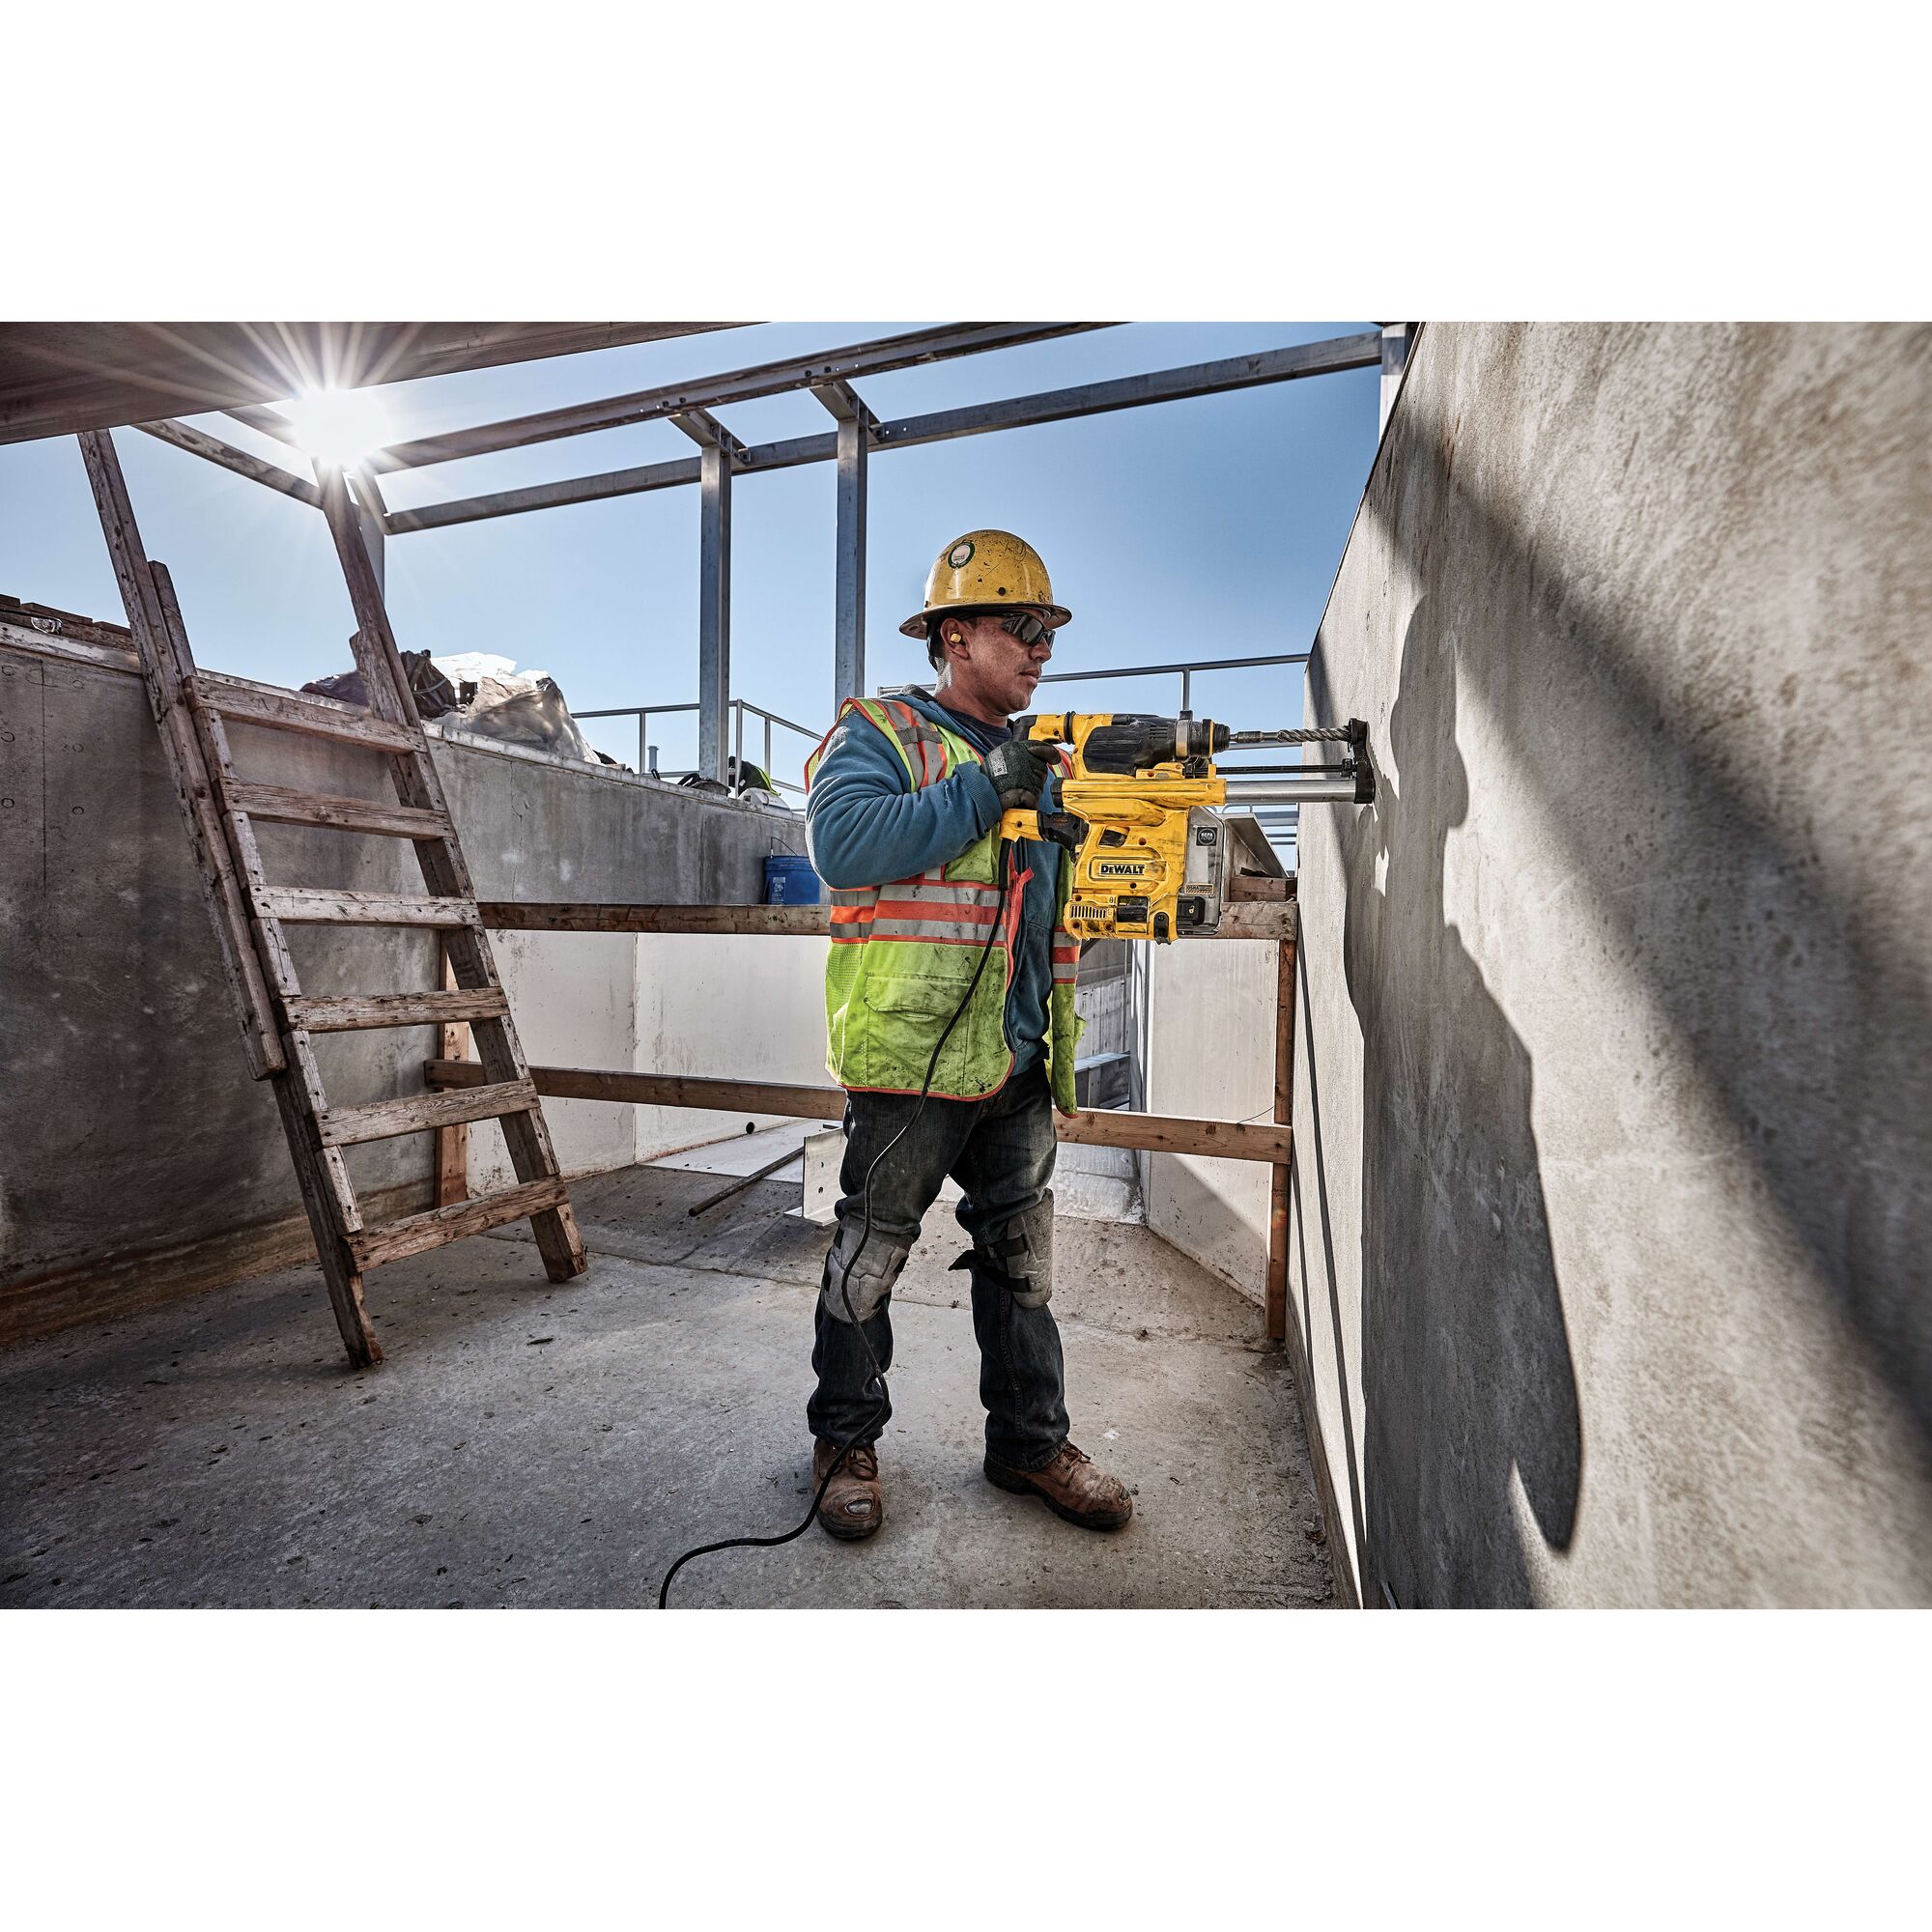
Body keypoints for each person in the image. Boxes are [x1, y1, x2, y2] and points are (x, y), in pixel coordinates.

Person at [801, 529, 1135, 1542]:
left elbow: (1037, 912)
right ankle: (842, 1440)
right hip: (911, 1060)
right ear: (954, 634)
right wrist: (990, 786)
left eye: (1046, 631)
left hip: (1017, 1058)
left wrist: (1079, 836)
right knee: (869, 1254)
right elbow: (843, 842)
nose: (1041, 648)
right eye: (1022, 627)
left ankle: (1028, 1442)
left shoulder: (1040, 763)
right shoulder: (882, 730)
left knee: (1022, 1263)